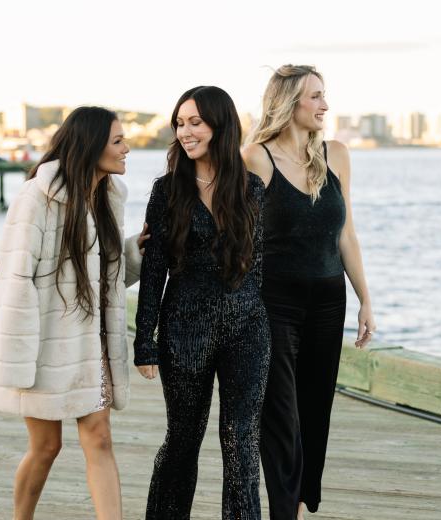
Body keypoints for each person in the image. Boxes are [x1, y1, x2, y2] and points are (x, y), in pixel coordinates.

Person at [0, 106, 148, 520]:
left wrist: (136, 252)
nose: (127, 148)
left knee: (100, 438)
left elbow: (103, 279)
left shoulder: (108, 197)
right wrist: (18, 361)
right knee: (46, 447)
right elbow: (13, 283)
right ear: (91, 146)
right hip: (42, 347)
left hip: (92, 345)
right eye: (117, 141)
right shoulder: (36, 199)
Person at [243, 65, 377, 519]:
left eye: (325, 95)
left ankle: (297, 508)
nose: (325, 104)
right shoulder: (256, 157)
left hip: (328, 302)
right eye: (315, 96)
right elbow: (239, 236)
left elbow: (346, 235)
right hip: (273, 304)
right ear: (288, 103)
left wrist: (365, 300)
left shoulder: (336, 155)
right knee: (281, 417)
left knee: (314, 412)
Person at [134, 86, 270, 520]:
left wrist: (267, 326)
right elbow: (154, 269)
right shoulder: (166, 190)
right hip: (184, 327)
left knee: (241, 441)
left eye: (195, 122)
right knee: (183, 440)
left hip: (247, 329)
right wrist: (144, 339)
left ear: (219, 125)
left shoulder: (251, 188)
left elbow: (259, 267)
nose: (185, 131)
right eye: (179, 123)